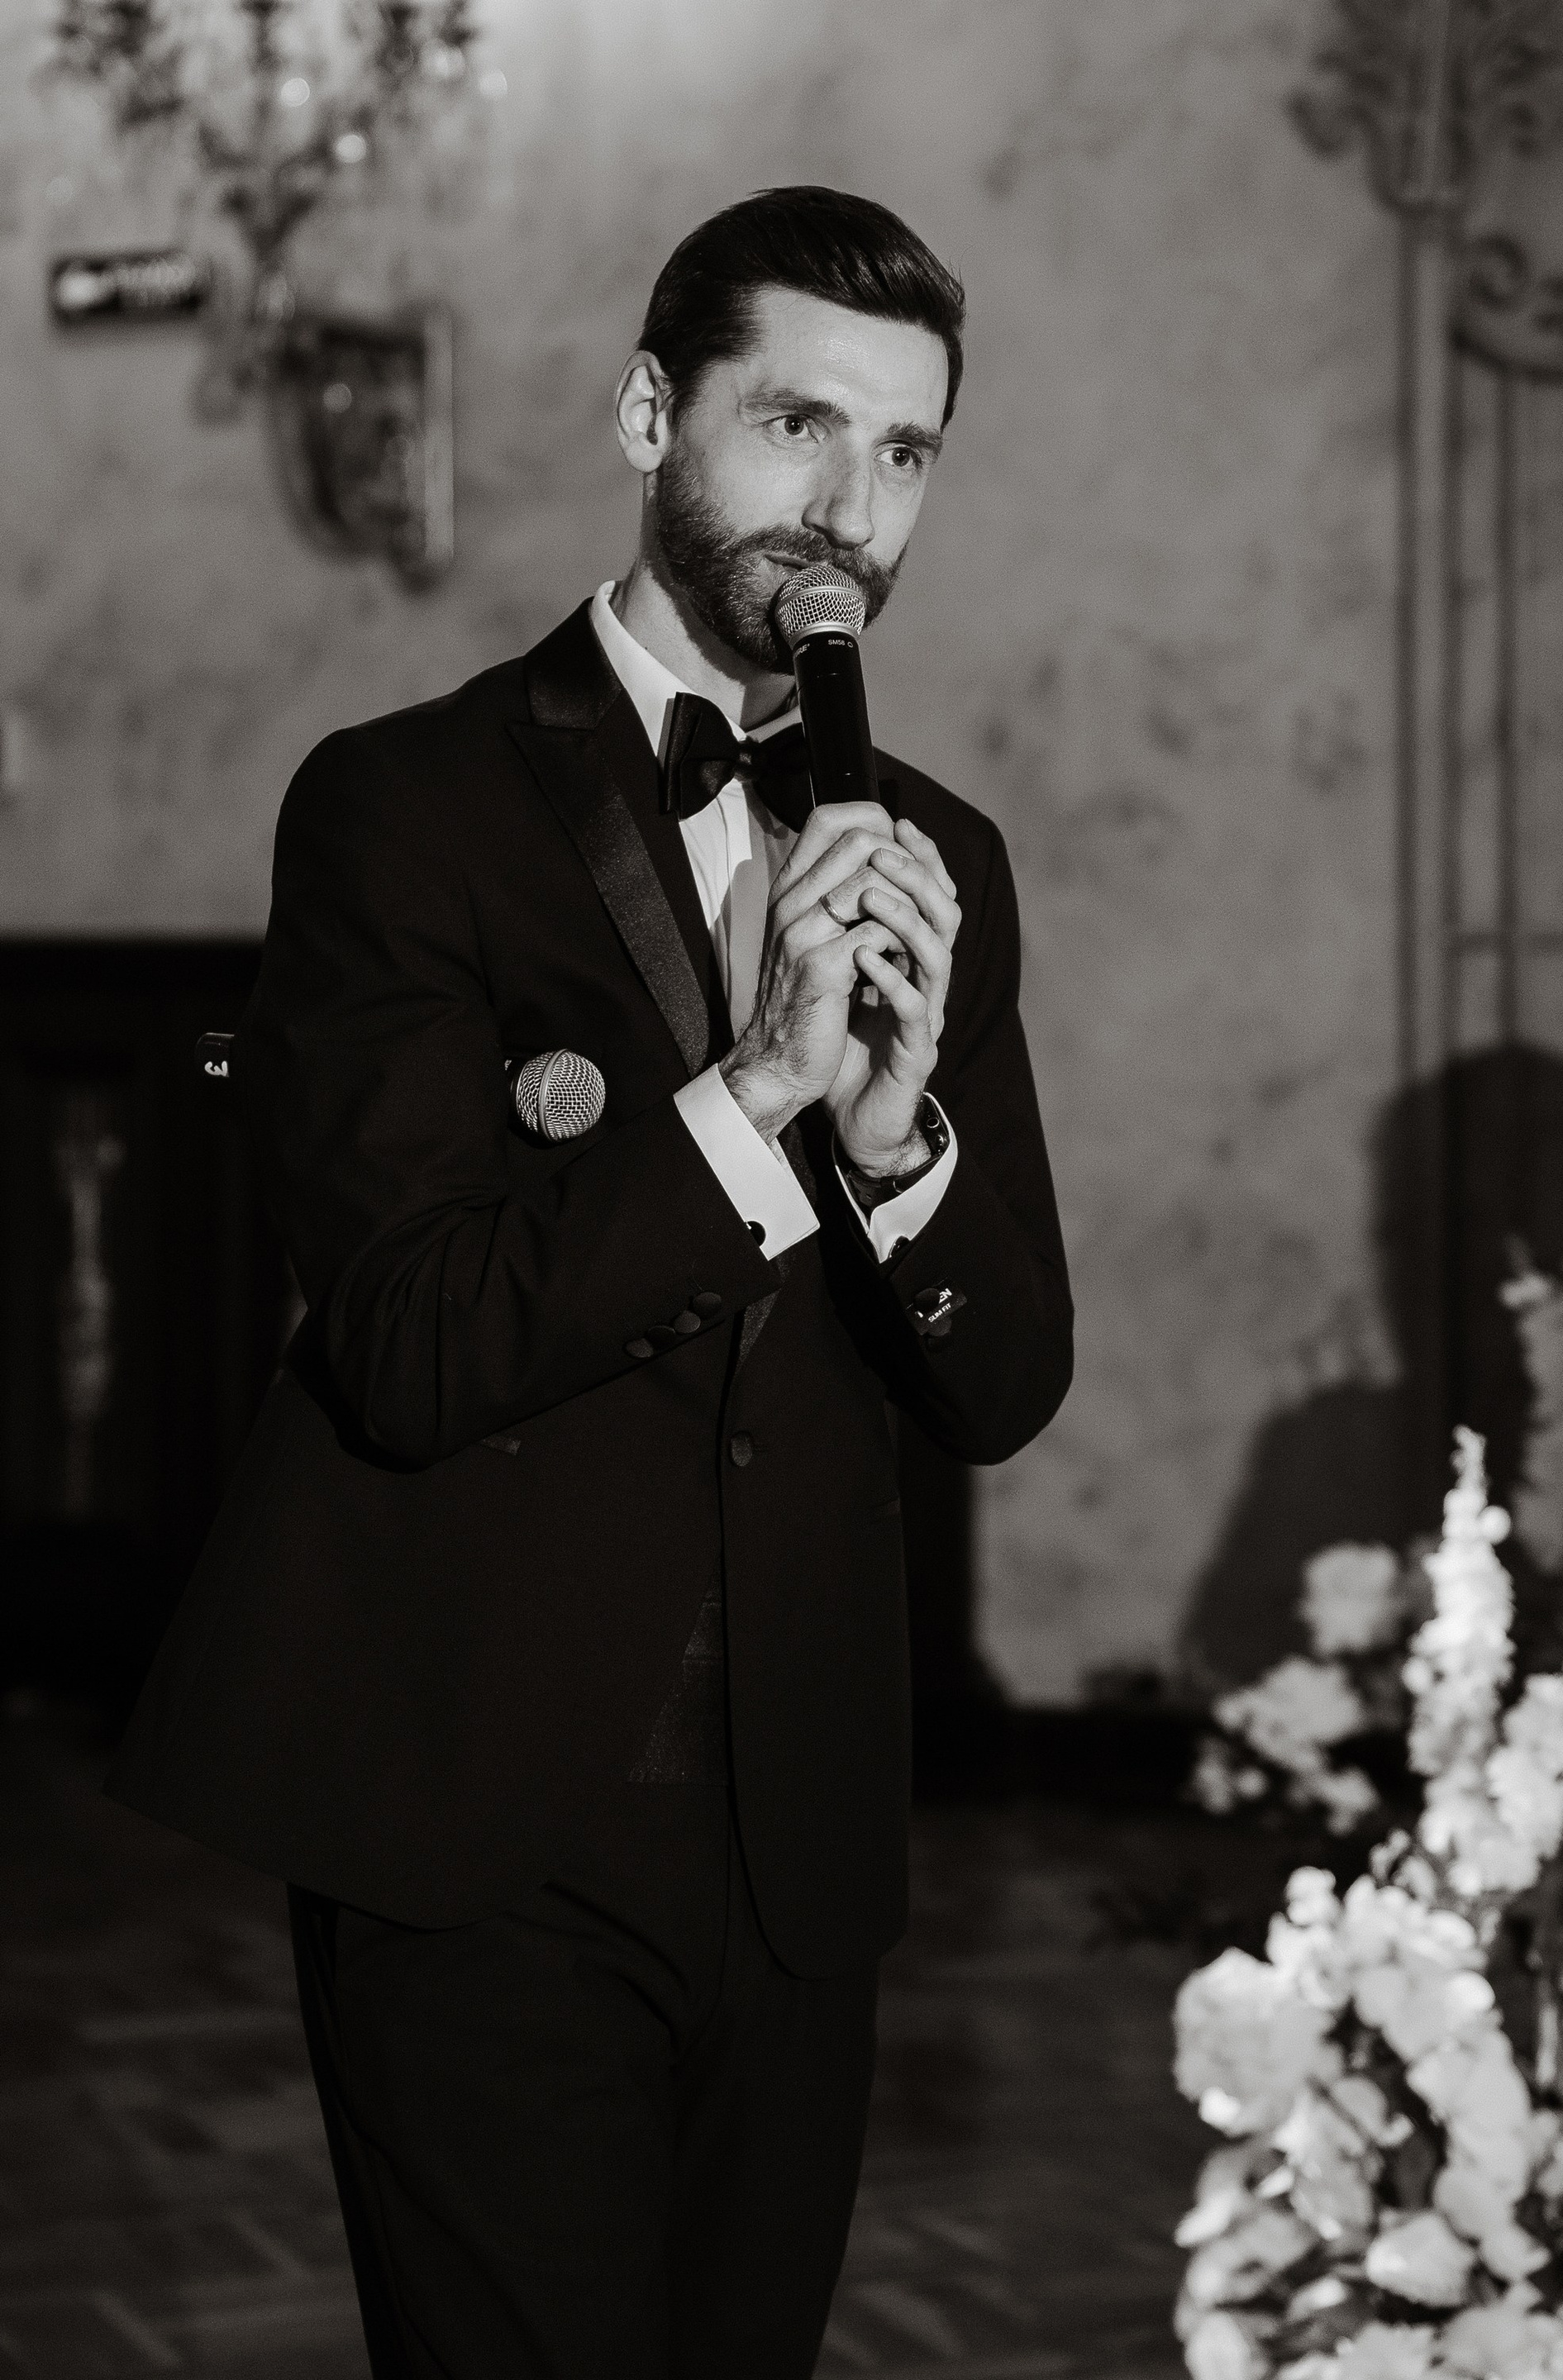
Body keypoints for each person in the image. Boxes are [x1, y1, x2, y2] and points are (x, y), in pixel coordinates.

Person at [109, 184, 1072, 2379]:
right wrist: (755, 1099)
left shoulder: (946, 863)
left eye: (904, 451)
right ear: (652, 415)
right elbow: (411, 1343)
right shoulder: (397, 807)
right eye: (795, 423)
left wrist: (893, 1147)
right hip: (474, 1809)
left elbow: (1004, 1384)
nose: (849, 509)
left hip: (798, 1839)